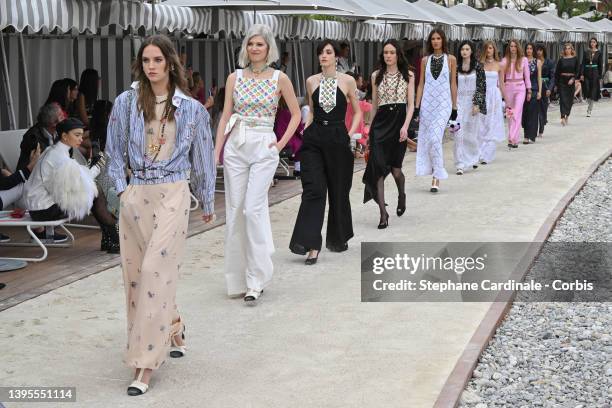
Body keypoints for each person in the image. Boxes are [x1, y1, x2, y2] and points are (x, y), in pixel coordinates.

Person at [105, 34, 216, 395]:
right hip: (136, 194)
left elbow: (202, 157)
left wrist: (207, 200)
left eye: (157, 60)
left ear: (170, 63)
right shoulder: (125, 103)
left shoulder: (192, 109)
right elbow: (112, 150)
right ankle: (174, 325)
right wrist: (121, 191)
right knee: (139, 276)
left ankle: (144, 364)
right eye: (146, 60)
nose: (151, 66)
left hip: (173, 192)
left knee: (155, 269)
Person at [214, 24, 300, 303]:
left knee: (252, 209)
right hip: (236, 145)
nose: (254, 48)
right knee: (236, 211)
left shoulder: (279, 78)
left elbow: (296, 115)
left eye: (260, 44)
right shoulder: (234, 77)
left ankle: (258, 276)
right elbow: (226, 116)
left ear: (268, 48)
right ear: (245, 48)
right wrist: (217, 151)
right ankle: (240, 280)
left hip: (264, 144)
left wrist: (281, 143)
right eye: (251, 44)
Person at [289, 39, 361, 264]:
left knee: (339, 192)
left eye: (328, 52)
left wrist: (348, 135)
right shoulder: (311, 81)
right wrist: (306, 127)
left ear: (336, 56)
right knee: (314, 190)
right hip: (314, 139)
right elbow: (311, 109)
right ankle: (311, 244)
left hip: (338, 138)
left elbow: (358, 112)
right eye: (321, 52)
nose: (323, 56)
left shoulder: (348, 80)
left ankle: (339, 236)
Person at [362, 39, 414, 229]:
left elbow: (411, 105)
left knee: (396, 170)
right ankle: (383, 214)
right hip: (380, 125)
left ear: (398, 54)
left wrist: (405, 127)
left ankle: (402, 194)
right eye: (385, 52)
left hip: (399, 123)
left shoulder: (408, 75)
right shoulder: (376, 75)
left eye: (392, 52)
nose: (388, 56)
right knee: (379, 171)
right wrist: (369, 129)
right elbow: (374, 105)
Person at [23, 118, 101, 228]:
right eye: (77, 135)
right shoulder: (59, 156)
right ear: (64, 136)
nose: (81, 139)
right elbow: (81, 182)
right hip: (44, 210)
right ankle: (109, 233)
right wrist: (97, 167)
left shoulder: (53, 150)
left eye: (81, 135)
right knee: (95, 192)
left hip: (37, 207)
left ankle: (108, 233)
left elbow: (77, 176)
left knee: (91, 191)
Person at [414, 28, 457, 193]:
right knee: (429, 140)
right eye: (433, 39)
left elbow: (453, 84)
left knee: (434, 138)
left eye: (438, 38)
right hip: (427, 105)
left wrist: (454, 107)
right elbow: (421, 84)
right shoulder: (425, 60)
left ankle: (436, 176)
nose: (436, 41)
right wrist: (417, 107)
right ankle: (435, 171)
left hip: (444, 104)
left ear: (443, 40)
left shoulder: (451, 59)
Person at [454, 40, 486, 174]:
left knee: (472, 133)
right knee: (457, 132)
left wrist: (477, 104)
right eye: (462, 49)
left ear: (471, 51)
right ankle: (460, 163)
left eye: (467, 49)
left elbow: (481, 86)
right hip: (458, 103)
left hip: (472, 104)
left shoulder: (478, 66)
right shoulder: (455, 67)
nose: (464, 51)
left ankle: (473, 157)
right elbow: (452, 86)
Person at [478, 41, 505, 165]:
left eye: (491, 48)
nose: (489, 50)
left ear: (494, 50)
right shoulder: (480, 64)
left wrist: (506, 101)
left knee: (492, 123)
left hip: (494, 96)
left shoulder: (499, 65)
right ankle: (479, 152)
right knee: (481, 124)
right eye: (487, 48)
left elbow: (502, 84)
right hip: (482, 95)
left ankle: (487, 154)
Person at [16, 104, 64, 173]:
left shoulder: (57, 132)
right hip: (31, 177)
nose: (65, 119)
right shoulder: (33, 137)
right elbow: (47, 160)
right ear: (53, 123)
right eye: (61, 117)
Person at [501, 39, 531, 149]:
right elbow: (501, 78)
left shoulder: (523, 60)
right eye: (511, 46)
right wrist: (500, 91)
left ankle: (512, 137)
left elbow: (527, 77)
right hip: (508, 87)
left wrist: (529, 90)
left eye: (514, 46)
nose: (512, 48)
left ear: (517, 47)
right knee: (510, 113)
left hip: (520, 88)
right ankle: (515, 140)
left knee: (517, 112)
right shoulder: (504, 61)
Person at [274, 97, 304, 177]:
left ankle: (298, 166)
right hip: (287, 142)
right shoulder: (290, 113)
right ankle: (298, 168)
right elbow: (300, 129)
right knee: (302, 142)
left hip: (275, 140)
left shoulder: (276, 113)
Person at [521, 43, 542, 145]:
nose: (529, 50)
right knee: (525, 113)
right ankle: (526, 134)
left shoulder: (537, 62)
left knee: (532, 113)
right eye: (527, 48)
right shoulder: (521, 61)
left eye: (530, 48)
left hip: (534, 89)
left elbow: (539, 78)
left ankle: (530, 135)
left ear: (533, 50)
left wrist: (539, 91)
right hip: (522, 89)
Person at [555, 43, 579, 126]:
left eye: (569, 48)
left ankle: (567, 115)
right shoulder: (561, 60)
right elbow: (557, 72)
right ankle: (562, 117)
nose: (567, 50)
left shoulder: (575, 59)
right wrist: (556, 84)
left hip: (571, 81)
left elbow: (577, 71)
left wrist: (573, 79)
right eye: (566, 48)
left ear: (572, 50)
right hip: (562, 81)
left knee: (569, 100)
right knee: (562, 99)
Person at [580, 37, 603, 117]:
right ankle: (589, 103)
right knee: (586, 88)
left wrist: (600, 76)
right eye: (591, 42)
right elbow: (582, 63)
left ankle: (589, 109)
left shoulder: (599, 52)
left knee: (593, 90)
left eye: (594, 42)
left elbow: (600, 65)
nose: (592, 43)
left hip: (595, 72)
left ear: (596, 43)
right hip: (586, 72)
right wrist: (581, 74)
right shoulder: (586, 52)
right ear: (590, 43)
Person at [535, 44, 555, 138]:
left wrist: (550, 89)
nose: (539, 52)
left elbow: (552, 77)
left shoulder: (550, 62)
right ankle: (534, 129)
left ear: (543, 51)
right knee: (535, 109)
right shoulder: (534, 62)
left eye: (540, 50)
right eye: (537, 50)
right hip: (535, 86)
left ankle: (541, 129)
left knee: (543, 109)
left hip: (545, 87)